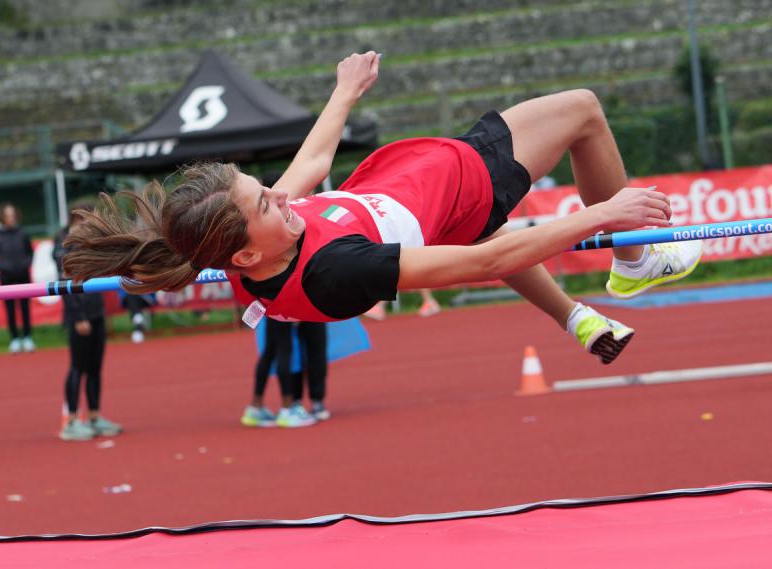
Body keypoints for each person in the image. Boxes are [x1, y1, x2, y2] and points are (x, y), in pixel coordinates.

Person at [63, 52, 702, 366]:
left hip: (408, 181)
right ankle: (635, 261)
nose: (280, 196)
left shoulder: (255, 240)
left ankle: (576, 318)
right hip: (462, 184)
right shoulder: (335, 270)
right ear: (248, 253)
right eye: (265, 202)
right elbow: (485, 262)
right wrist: (603, 215)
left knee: (486, 231)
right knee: (583, 109)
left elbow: (312, 164)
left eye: (263, 188)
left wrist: (344, 92)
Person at [53, 202, 123, 442]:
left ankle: (94, 416)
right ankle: (71, 421)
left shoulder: (92, 243)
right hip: (79, 316)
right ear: (78, 220)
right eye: (91, 220)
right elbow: (64, 285)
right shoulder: (64, 246)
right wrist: (78, 317)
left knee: (95, 367)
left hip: (96, 312)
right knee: (77, 367)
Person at [242, 318, 317, 428]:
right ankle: (287, 410)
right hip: (282, 310)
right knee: (284, 349)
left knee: (270, 350)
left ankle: (255, 408)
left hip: (269, 310)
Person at [0, 203, 35, 353]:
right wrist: (3, 266)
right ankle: (14, 339)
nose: (11, 218)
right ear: (2, 217)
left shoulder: (23, 233)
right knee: (10, 309)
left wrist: (25, 263)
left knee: (25, 308)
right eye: (8, 215)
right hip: (6, 277)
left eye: (13, 214)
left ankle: (28, 338)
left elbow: (30, 253)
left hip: (23, 275)